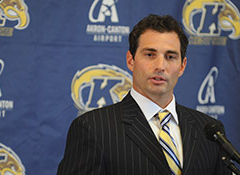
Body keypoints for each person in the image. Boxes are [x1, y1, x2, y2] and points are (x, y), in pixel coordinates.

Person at [57, 14, 232, 175]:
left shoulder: (209, 130)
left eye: (170, 57)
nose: (160, 66)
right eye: (150, 54)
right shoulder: (93, 128)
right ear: (130, 60)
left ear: (182, 66)